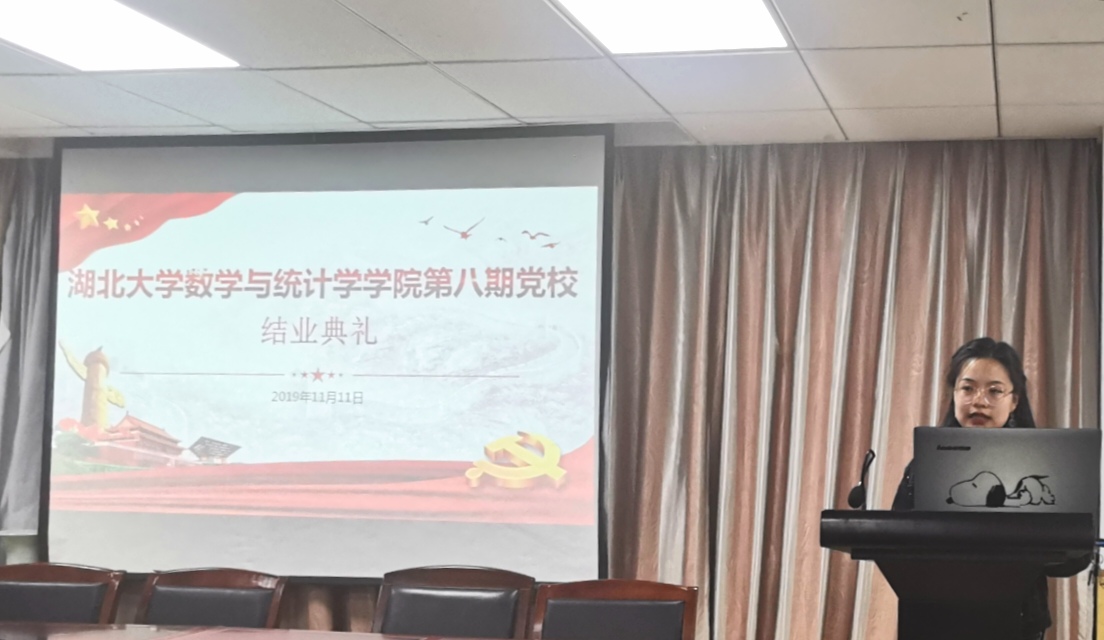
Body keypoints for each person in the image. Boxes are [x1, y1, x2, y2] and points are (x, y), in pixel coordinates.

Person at [892, 337, 1086, 640]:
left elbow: (1075, 558)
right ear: (954, 394)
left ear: (1014, 400)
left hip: (1016, 620)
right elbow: (894, 541)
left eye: (994, 391)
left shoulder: (1043, 468)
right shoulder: (923, 465)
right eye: (967, 388)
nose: (979, 401)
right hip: (933, 618)